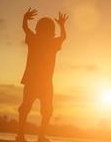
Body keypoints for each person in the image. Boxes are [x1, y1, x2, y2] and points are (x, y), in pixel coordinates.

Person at [17, 9, 68, 142]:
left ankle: (24, 135)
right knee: (42, 110)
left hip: (35, 82)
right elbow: (63, 37)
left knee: (29, 109)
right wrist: (62, 25)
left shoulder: (34, 39)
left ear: (38, 28)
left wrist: (25, 18)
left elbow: (25, 28)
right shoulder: (51, 42)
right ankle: (36, 136)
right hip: (43, 83)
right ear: (51, 31)